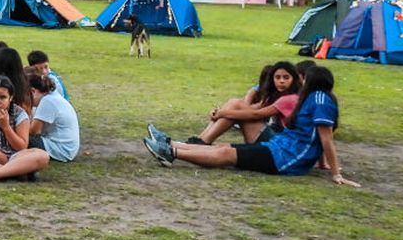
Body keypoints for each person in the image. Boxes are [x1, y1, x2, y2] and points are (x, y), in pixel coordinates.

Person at [144, 66, 360, 187]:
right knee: (226, 148)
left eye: (302, 78)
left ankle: (171, 152)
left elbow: (325, 139)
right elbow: (317, 138)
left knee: (227, 154)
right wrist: (323, 165)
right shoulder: (313, 98)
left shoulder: (320, 100)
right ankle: (171, 146)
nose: (299, 81)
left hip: (285, 159)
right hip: (280, 148)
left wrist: (335, 173)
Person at [0, 71, 79, 182]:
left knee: (42, 156)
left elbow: (25, 142)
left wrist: (6, 127)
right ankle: (15, 171)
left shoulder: (21, 112)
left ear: (10, 98)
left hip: (18, 155)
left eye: (2, 97)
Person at [188, 62, 300, 145]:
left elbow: (256, 115)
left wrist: (223, 113)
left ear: (294, 79)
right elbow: (253, 108)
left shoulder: (290, 99)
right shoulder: (276, 95)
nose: (281, 81)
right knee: (235, 103)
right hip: (276, 138)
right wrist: (219, 111)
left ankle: (203, 141)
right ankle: (201, 139)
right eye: (277, 77)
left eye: (286, 78)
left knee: (235, 104)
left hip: (280, 145)